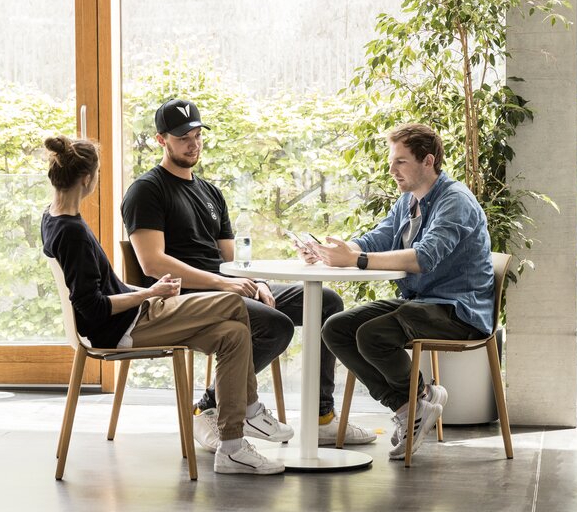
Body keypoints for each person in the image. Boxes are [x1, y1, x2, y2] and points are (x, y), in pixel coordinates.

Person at [122, 98, 375, 452]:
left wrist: (255, 282)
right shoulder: (147, 190)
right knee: (274, 325)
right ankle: (210, 407)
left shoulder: (210, 192)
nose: (193, 144)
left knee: (326, 302)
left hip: (224, 286)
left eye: (197, 135)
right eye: (183, 138)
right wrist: (226, 285)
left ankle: (321, 418)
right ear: (161, 140)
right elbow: (152, 264)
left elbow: (230, 259)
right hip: (184, 298)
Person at [41, 135, 291, 475]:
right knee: (233, 302)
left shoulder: (54, 217)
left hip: (135, 317)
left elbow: (103, 288)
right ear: (87, 179)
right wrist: (147, 294)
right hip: (127, 327)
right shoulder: (71, 231)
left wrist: (151, 291)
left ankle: (231, 447)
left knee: (233, 334)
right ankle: (250, 410)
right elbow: (94, 308)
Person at [310, 123, 494, 461]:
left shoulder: (455, 201)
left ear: (427, 161)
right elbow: (375, 239)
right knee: (335, 328)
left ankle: (420, 397)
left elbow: (424, 257)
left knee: (373, 335)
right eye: (391, 161)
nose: (391, 170)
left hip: (458, 311)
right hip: (420, 303)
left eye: (400, 162)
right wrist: (334, 251)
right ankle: (409, 406)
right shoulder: (409, 200)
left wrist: (357, 259)